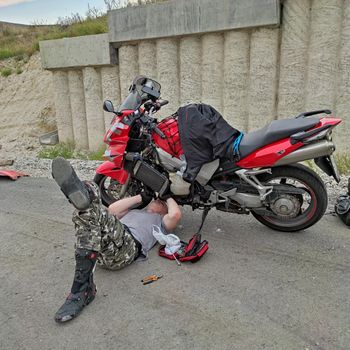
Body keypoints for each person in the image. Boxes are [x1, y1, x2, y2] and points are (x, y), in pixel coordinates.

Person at [51, 157, 182, 323]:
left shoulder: (160, 222)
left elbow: (175, 214)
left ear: (163, 210)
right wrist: (141, 198)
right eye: (157, 199)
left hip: (127, 248)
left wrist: (167, 196)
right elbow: (112, 209)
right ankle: (84, 195)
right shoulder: (135, 212)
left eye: (160, 202)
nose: (157, 200)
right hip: (102, 252)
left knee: (90, 209)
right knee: (88, 214)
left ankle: (80, 290)